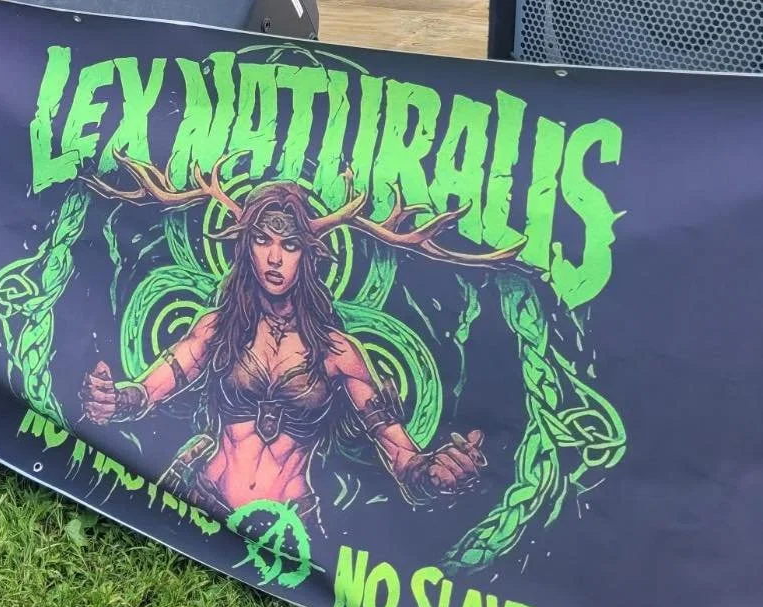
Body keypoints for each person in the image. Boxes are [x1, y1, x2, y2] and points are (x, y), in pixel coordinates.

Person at [80, 157, 497, 522]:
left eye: (290, 245)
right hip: (202, 501)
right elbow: (150, 389)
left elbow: (400, 455)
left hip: (289, 524)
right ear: (247, 247)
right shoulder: (216, 328)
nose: (274, 258)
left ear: (308, 254)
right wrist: (114, 399)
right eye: (262, 241)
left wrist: (434, 471)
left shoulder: (340, 353)